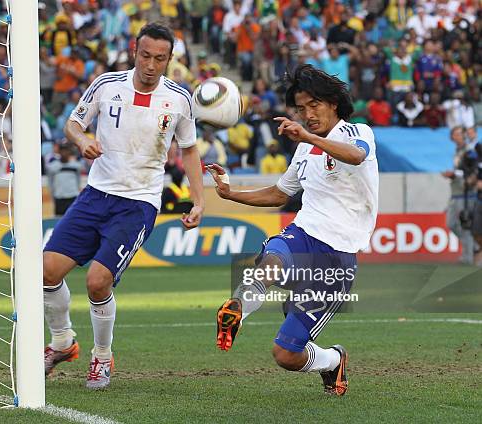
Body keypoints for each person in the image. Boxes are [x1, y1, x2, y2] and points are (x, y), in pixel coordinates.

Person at [43, 23, 204, 389]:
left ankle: (101, 356)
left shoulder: (179, 99)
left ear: (169, 59)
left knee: (97, 282)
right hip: (95, 194)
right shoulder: (106, 84)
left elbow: (189, 149)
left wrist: (199, 198)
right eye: (145, 55)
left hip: (139, 202)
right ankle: (63, 343)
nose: (150, 64)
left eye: (159, 59)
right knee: (46, 271)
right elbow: (73, 123)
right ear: (135, 50)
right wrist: (82, 140)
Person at [208, 64, 378, 396]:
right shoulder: (304, 148)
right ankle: (238, 312)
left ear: (332, 103)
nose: (307, 114)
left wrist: (310, 136)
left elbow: (356, 157)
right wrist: (231, 194)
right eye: (301, 108)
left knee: (286, 354)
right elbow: (279, 194)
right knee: (273, 259)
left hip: (337, 257)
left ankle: (332, 360)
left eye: (314, 105)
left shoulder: (357, 132)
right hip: (303, 234)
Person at [442, 126, 477, 264]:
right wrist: (453, 174)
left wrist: (454, 174)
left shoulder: (469, 151)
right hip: (456, 192)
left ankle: (468, 255)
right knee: (452, 223)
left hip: (466, 193)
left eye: (458, 134)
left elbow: (472, 170)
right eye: (454, 134)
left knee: (464, 223)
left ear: (464, 136)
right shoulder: (458, 151)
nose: (456, 137)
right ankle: (473, 247)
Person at [45, 140, 83, 216]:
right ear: (59, 152)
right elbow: (50, 181)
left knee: (73, 217)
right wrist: (53, 193)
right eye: (62, 150)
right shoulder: (53, 167)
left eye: (66, 150)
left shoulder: (76, 166)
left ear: (69, 152)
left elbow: (78, 179)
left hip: (73, 197)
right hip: (59, 198)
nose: (64, 153)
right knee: (58, 220)